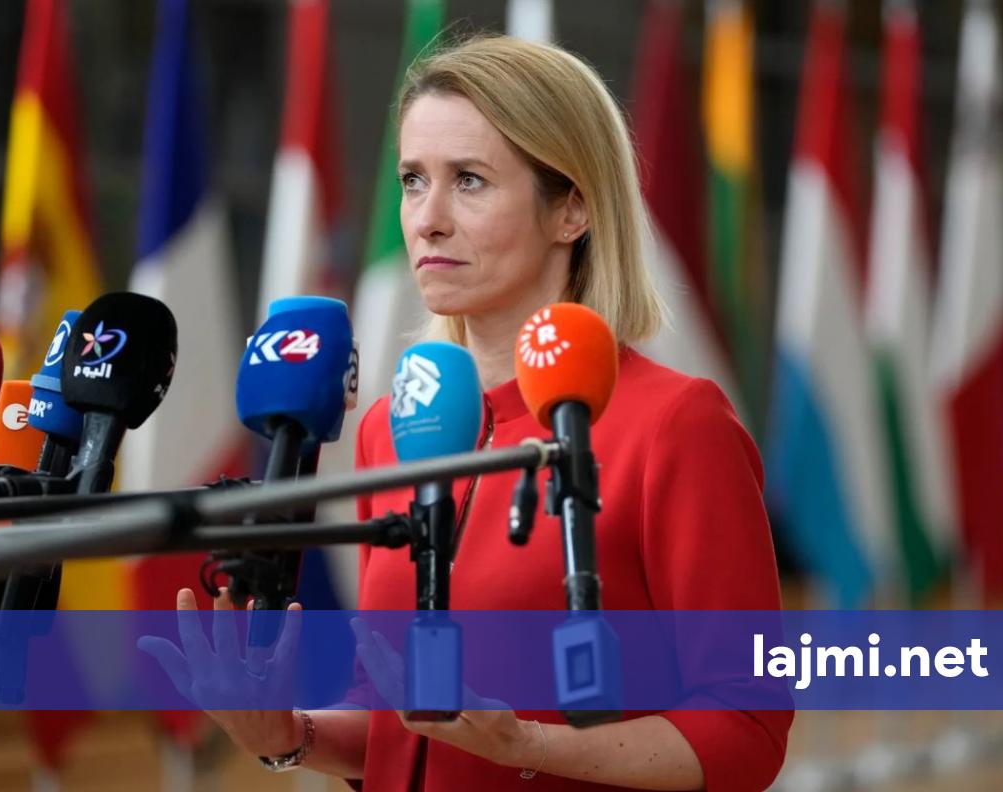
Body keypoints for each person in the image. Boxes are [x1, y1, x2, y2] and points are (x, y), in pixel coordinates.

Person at [179, 34, 791, 791]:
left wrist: (529, 745)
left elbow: (747, 730)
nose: (426, 219)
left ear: (572, 209)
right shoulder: (389, 429)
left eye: (468, 180)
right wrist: (290, 735)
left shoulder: (677, 424)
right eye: (412, 180)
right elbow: (401, 719)